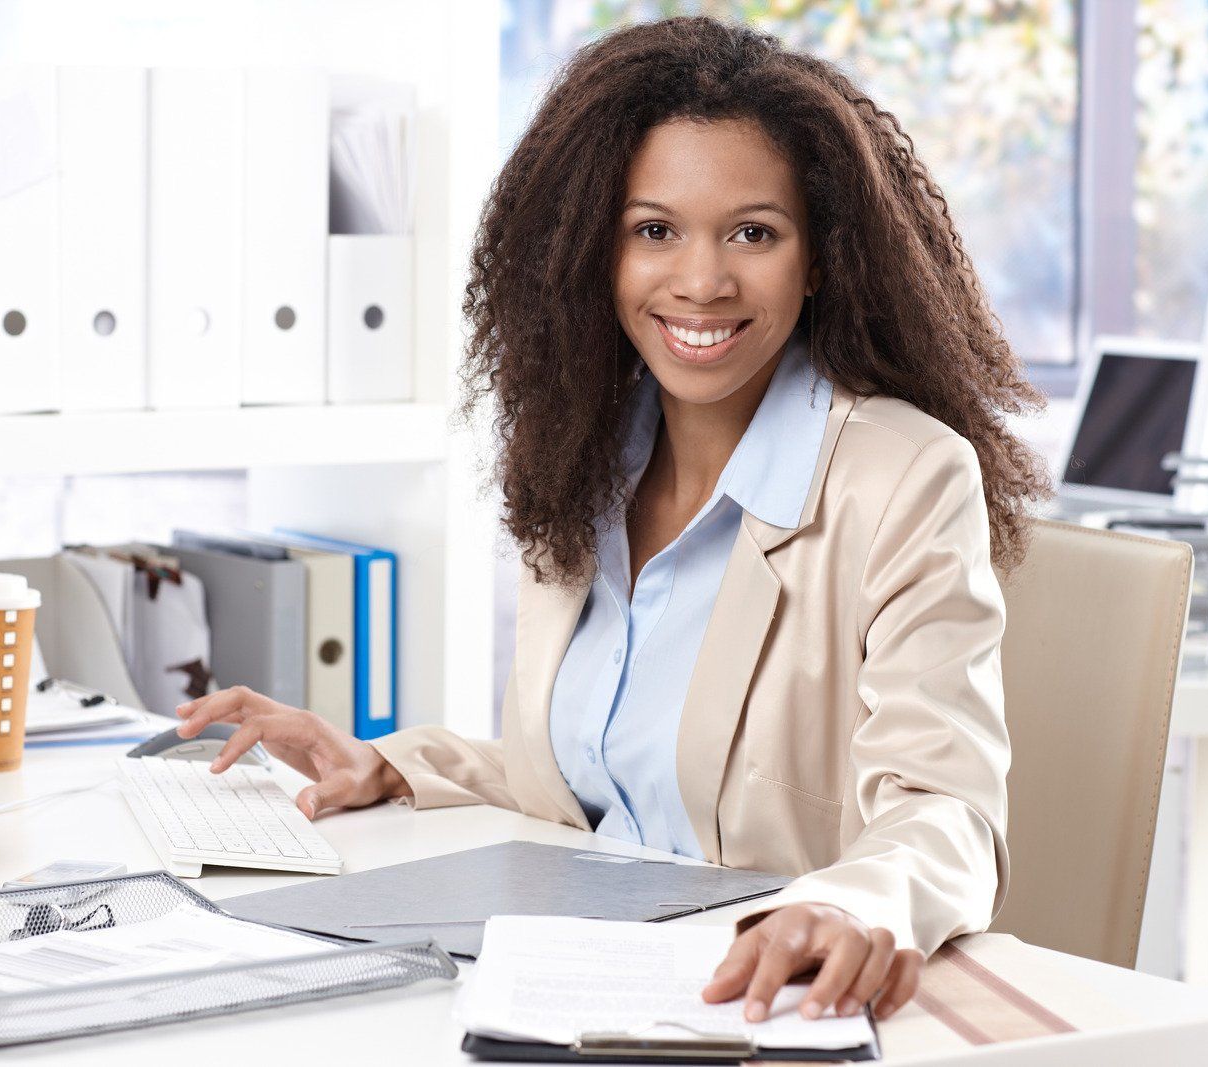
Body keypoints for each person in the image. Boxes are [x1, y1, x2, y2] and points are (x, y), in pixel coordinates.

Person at [176, 16, 1050, 1026]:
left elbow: (946, 808)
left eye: (752, 232)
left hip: (760, 1009)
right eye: (654, 229)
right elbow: (601, 772)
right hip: (584, 988)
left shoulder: (901, 475)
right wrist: (390, 761)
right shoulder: (584, 456)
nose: (701, 280)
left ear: (819, 259)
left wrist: (851, 902)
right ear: (595, 249)